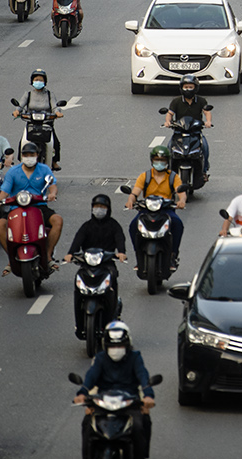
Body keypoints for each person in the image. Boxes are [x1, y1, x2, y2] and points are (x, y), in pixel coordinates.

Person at [75, 322, 155, 459]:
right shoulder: (100, 358)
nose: (116, 349)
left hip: (129, 402)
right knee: (88, 424)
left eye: (120, 346)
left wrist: (148, 396)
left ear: (127, 345)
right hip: (103, 402)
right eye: (112, 346)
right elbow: (91, 376)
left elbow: (143, 375)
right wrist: (82, 393)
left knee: (140, 425)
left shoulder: (135, 357)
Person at [65, 196, 128, 338]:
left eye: (103, 207)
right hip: (87, 264)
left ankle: (112, 315)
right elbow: (78, 239)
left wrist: (121, 253)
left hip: (107, 264)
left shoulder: (114, 225)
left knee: (112, 280)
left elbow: (120, 238)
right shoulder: (87, 226)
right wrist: (70, 254)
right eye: (97, 206)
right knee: (78, 284)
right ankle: (79, 323)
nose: (99, 210)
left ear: (108, 209)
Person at [0, 141, 63, 266]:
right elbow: (5, 191)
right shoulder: (13, 172)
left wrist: (52, 194)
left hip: (39, 207)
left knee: (57, 220)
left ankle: (48, 255)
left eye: (31, 154)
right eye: (26, 155)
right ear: (22, 157)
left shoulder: (44, 169)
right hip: (16, 208)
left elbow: (52, 185)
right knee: (0, 225)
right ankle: (11, 259)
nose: (29, 157)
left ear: (37, 155)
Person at [124, 145, 186, 270]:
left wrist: (182, 201)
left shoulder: (173, 177)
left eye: (162, 160)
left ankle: (173, 255)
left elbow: (181, 193)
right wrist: (130, 200)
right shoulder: (145, 176)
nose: (159, 163)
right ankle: (139, 255)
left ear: (167, 162)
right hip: (147, 209)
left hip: (166, 209)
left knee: (177, 224)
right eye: (157, 160)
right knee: (133, 225)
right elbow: (135, 192)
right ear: (152, 161)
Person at [12, 67, 65, 170]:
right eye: (36, 80)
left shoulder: (49, 94)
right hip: (31, 123)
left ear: (45, 82)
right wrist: (17, 111)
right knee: (22, 142)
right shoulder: (28, 94)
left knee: (56, 143)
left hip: (47, 124)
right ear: (32, 81)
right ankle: (21, 161)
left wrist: (58, 113)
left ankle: (54, 161)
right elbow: (20, 105)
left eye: (41, 80)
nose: (38, 82)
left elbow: (54, 107)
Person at [164, 77, 213, 165]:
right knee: (169, 147)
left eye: (191, 87)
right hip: (179, 131)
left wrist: (208, 122)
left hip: (195, 131)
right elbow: (170, 114)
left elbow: (207, 112)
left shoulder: (201, 100)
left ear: (196, 88)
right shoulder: (176, 101)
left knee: (205, 147)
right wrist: (168, 122)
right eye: (186, 87)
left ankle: (204, 170)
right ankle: (168, 170)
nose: (188, 89)